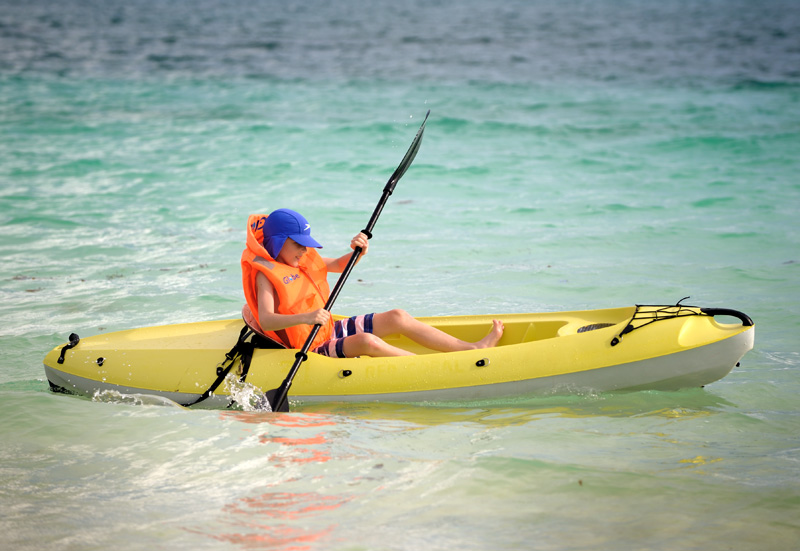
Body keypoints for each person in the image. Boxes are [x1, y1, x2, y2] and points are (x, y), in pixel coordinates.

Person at [241, 208, 504, 358]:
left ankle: (472, 349)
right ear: (277, 242)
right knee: (367, 341)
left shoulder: (301, 257)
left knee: (397, 316)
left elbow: (335, 266)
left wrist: (357, 252)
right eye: (299, 244)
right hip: (310, 345)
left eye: (306, 244)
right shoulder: (266, 274)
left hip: (328, 328)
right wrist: (308, 317)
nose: (304, 250)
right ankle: (435, 368)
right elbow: (267, 320)